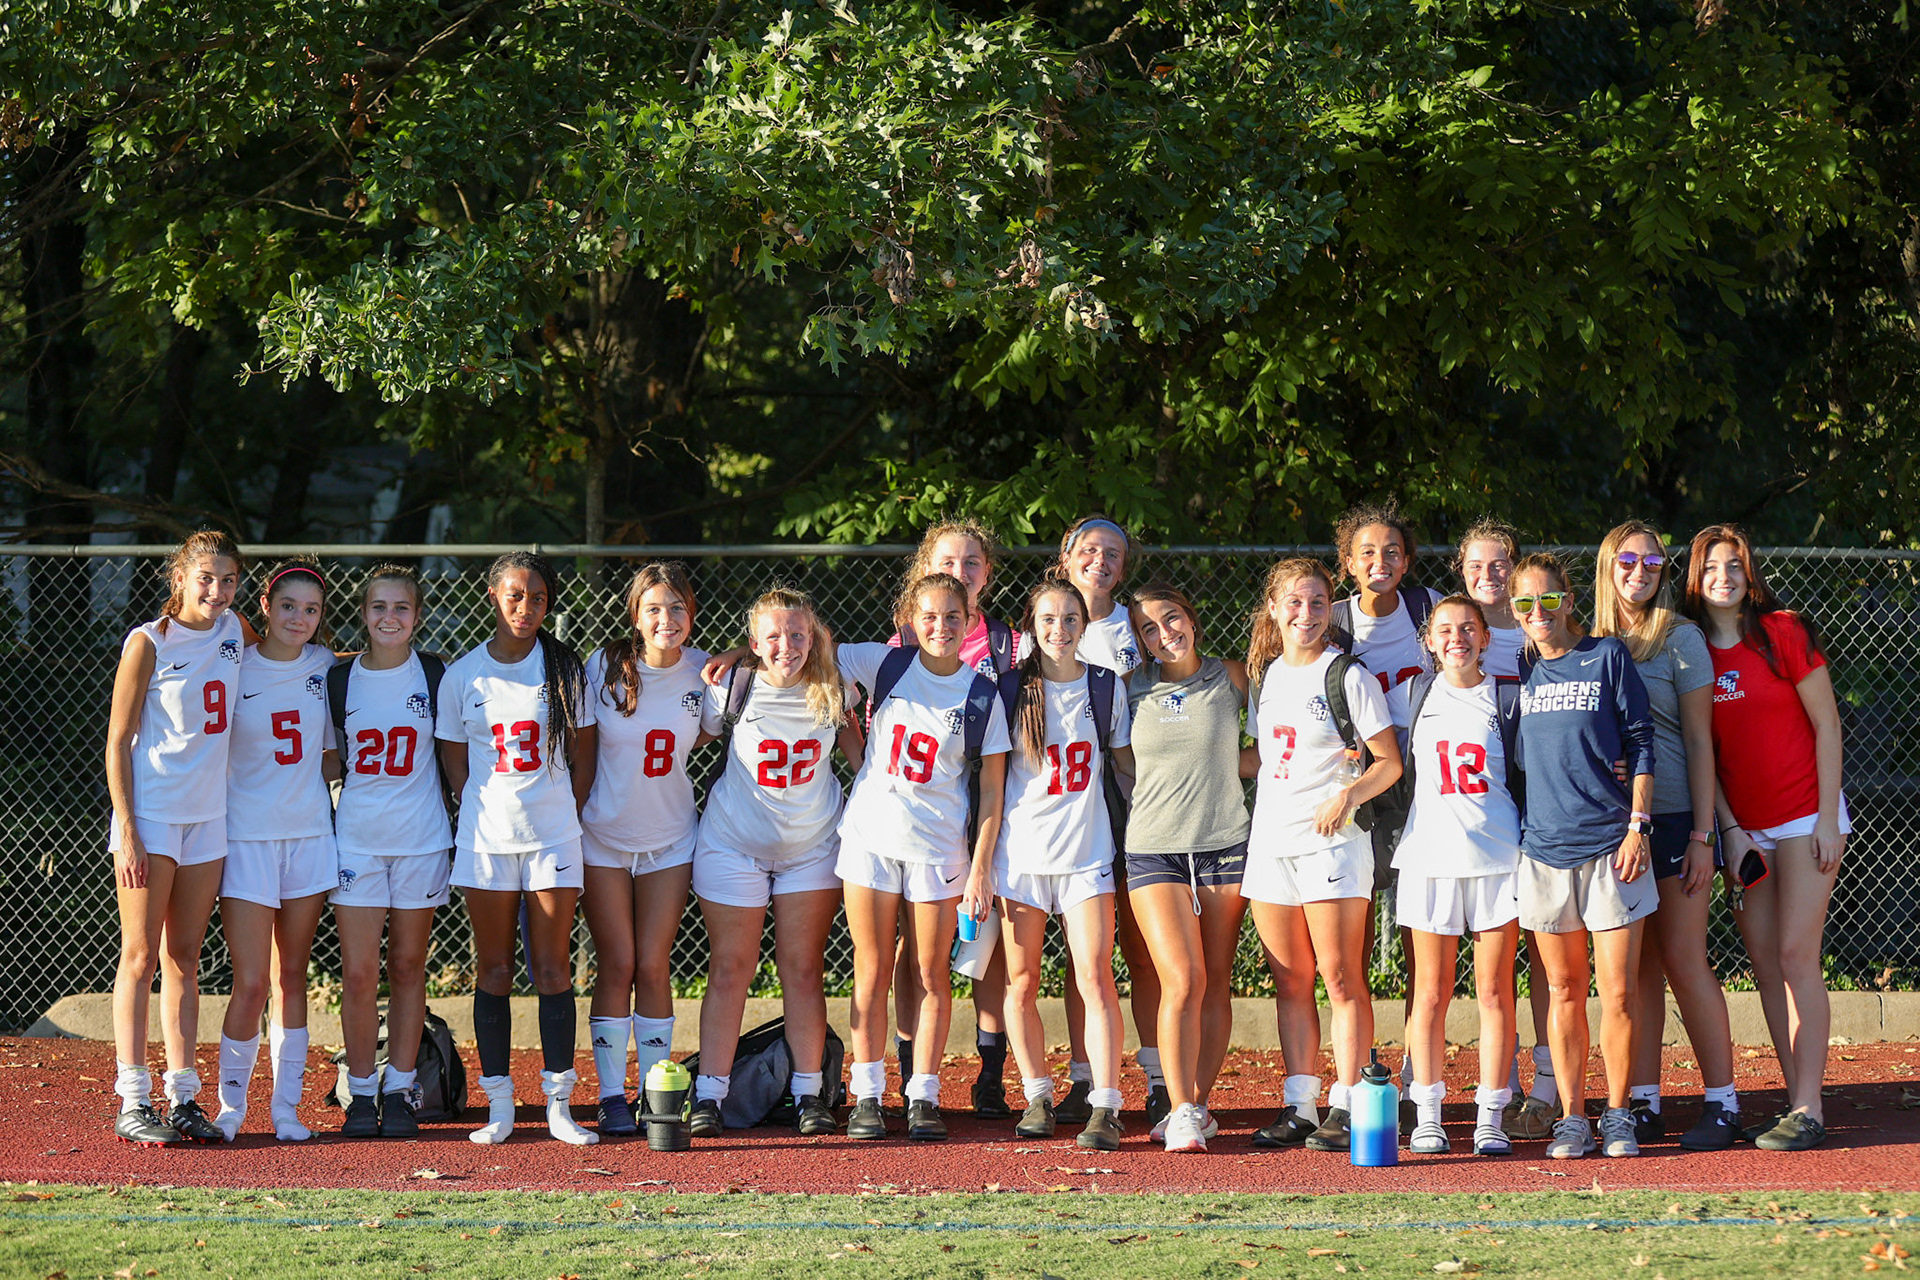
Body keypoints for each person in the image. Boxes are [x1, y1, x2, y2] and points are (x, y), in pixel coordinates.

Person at [1685, 524, 1848, 1151]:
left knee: (1794, 957)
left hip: (1808, 819)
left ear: (1748, 573)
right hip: (1746, 832)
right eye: (1710, 568)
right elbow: (1704, 753)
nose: (1723, 577)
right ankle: (1792, 1105)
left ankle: (1811, 1108)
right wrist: (1730, 832)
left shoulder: (1783, 631)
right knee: (1764, 967)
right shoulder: (1692, 648)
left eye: (1734, 565)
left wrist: (1829, 818)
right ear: (1696, 580)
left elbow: (1827, 726)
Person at [836, 572, 1012, 1141]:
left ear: (969, 621)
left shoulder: (983, 693)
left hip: (938, 850)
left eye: (953, 617)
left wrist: (980, 867)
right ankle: (866, 1093)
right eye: (929, 617)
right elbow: (803, 641)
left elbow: (991, 794)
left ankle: (922, 1097)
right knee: (872, 968)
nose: (940, 627)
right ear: (911, 618)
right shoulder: (885, 664)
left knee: (933, 974)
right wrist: (742, 648)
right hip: (870, 840)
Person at [435, 552, 600, 1145]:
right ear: (492, 596)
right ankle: (499, 1103)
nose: (524, 607)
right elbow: (455, 760)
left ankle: (560, 1104)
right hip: (486, 841)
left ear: (547, 603)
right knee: (496, 968)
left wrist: (559, 812)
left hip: (553, 836)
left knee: (553, 969)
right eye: (513, 595)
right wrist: (487, 806)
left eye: (535, 597)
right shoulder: (463, 675)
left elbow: (585, 752)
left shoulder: (564, 669)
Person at [1243, 558, 1403, 1154]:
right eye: (1293, 602)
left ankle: (1346, 1101)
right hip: (1272, 842)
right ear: (1274, 608)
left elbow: (1389, 762)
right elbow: (1267, 761)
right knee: (1291, 981)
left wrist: (1347, 796)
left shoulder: (1347, 675)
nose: (1304, 614)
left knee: (1340, 977)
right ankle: (1301, 1104)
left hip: (1332, 842)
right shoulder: (1267, 675)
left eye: (1316, 603)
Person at [1591, 522, 1741, 1151]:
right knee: (1638, 970)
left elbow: (1703, 741)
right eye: (1627, 559)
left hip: (1676, 817)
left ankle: (1724, 1102)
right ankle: (1645, 1101)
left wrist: (1706, 834)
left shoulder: (1679, 637)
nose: (1640, 570)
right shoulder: (1588, 640)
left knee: (1683, 960)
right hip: (1610, 825)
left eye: (1652, 560)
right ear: (1607, 566)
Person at [688, 587, 852, 1138]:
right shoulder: (732, 685)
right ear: (754, 642)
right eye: (774, 635)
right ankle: (710, 1094)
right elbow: (696, 737)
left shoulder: (836, 688)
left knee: (802, 970)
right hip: (733, 844)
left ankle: (809, 1092)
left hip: (811, 848)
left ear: (815, 637)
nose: (787, 645)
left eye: (798, 634)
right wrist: (735, 657)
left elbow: (863, 755)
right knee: (731, 969)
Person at [1512, 553, 1656, 1160]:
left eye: (1548, 600)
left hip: (1610, 848)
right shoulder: (1518, 671)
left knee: (1618, 993)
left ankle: (1617, 1114)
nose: (1537, 613)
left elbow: (1643, 742)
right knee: (1565, 990)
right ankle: (1573, 1116)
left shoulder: (1607, 656)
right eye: (1525, 604)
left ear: (1569, 600)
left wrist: (1638, 827)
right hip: (1545, 854)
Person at [105, 531, 247, 1145]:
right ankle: (133, 1099)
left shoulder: (237, 629)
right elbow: (116, 742)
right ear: (180, 578)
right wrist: (129, 828)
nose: (216, 591)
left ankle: (183, 1095)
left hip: (209, 819)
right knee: (139, 957)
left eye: (228, 580)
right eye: (206, 578)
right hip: (154, 816)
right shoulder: (148, 642)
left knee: (184, 959)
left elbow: (294, 656)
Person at [992, 578, 1132, 1152]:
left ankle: (1104, 1104)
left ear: (1085, 625)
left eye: (1070, 619)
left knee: (1094, 978)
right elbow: (991, 786)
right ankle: (1037, 1094)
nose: (1059, 629)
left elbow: (1125, 769)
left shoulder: (1105, 687)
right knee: (1021, 981)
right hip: (1020, 857)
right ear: (1031, 626)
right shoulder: (1006, 691)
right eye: (1047, 619)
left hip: (1086, 854)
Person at [1034, 514, 1161, 1124]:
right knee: (1076, 957)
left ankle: (1159, 1075)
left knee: (1139, 949)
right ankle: (1085, 1078)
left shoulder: (1138, 623)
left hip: (1130, 793)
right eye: (1090, 549)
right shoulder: (1034, 628)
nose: (1101, 560)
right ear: (1066, 553)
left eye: (1114, 552)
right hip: (1062, 809)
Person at [577, 562, 709, 1136]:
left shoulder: (706, 671)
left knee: (654, 964)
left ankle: (655, 1089)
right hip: (603, 835)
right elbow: (580, 746)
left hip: (670, 837)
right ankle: (610, 1094)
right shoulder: (603, 666)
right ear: (636, 615)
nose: (666, 619)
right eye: (654, 608)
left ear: (691, 613)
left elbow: (708, 732)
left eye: (677, 607)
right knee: (618, 962)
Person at [1121, 582, 1253, 1153]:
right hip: (1154, 846)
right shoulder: (1128, 690)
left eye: (1170, 619)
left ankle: (1198, 1104)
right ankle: (1176, 1110)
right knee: (1182, 978)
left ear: (1192, 619)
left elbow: (1280, 739)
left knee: (1216, 981)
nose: (1163, 633)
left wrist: (1240, 766)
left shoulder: (1233, 677)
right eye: (1149, 629)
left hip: (1225, 845)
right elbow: (1117, 757)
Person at [326, 564, 454, 1139]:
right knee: (357, 973)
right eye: (379, 607)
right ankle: (359, 1090)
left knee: (407, 966)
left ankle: (400, 1087)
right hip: (357, 839)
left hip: (422, 840)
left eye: (401, 607)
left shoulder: (434, 674)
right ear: (364, 613)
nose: (389, 617)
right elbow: (329, 758)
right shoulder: (338, 679)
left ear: (417, 616)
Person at [212, 561, 338, 1142]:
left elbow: (337, 754)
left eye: (311, 610)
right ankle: (231, 1106)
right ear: (265, 604)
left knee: (293, 975)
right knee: (251, 981)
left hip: (310, 837)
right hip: (247, 839)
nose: (299, 618)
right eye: (289, 606)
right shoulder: (234, 663)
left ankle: (285, 1108)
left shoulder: (327, 668)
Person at [1394, 596, 1522, 1156]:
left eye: (1467, 628)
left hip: (1498, 860)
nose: (1456, 638)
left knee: (1495, 992)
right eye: (1444, 629)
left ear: (1485, 637)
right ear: (1428, 640)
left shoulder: (1508, 697)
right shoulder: (1412, 696)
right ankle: (1428, 1112)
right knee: (1430, 992)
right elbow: (1381, 759)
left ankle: (1490, 1113)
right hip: (1429, 860)